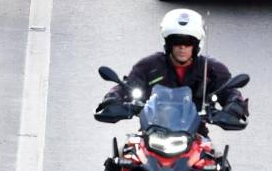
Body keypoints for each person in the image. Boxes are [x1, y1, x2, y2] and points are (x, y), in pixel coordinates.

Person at [95, 10, 248, 156]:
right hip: (150, 133)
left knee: (217, 163)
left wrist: (234, 106)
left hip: (195, 135)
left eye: (188, 42)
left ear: (195, 46)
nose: (182, 47)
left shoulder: (211, 69)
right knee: (122, 158)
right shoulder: (149, 65)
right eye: (177, 41)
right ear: (169, 44)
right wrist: (113, 99)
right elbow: (126, 86)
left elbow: (230, 90)